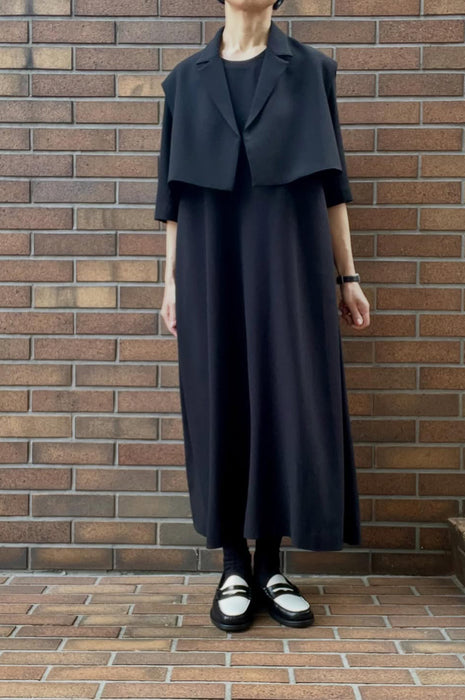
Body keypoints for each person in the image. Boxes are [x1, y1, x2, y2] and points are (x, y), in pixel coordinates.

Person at [155, 0, 370, 632]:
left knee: (286, 395)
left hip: (291, 259)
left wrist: (348, 276)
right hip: (210, 262)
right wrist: (171, 283)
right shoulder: (184, 80)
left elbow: (332, 185)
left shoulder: (312, 70)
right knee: (218, 395)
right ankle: (232, 564)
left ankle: (272, 564)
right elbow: (173, 195)